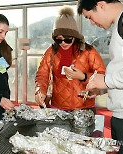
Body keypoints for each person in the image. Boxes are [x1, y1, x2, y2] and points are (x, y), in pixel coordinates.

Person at [77, 0, 123, 153]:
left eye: (90, 16)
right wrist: (103, 89)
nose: (91, 23)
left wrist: (105, 81)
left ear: (101, 4)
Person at [35, 5, 105, 135]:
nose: (63, 43)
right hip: (58, 108)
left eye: (67, 39)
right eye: (58, 39)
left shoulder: (88, 52)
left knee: (83, 143)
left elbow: (102, 75)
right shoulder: (51, 52)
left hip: (84, 109)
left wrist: (83, 76)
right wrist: (40, 90)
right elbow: (42, 74)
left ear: (75, 36)